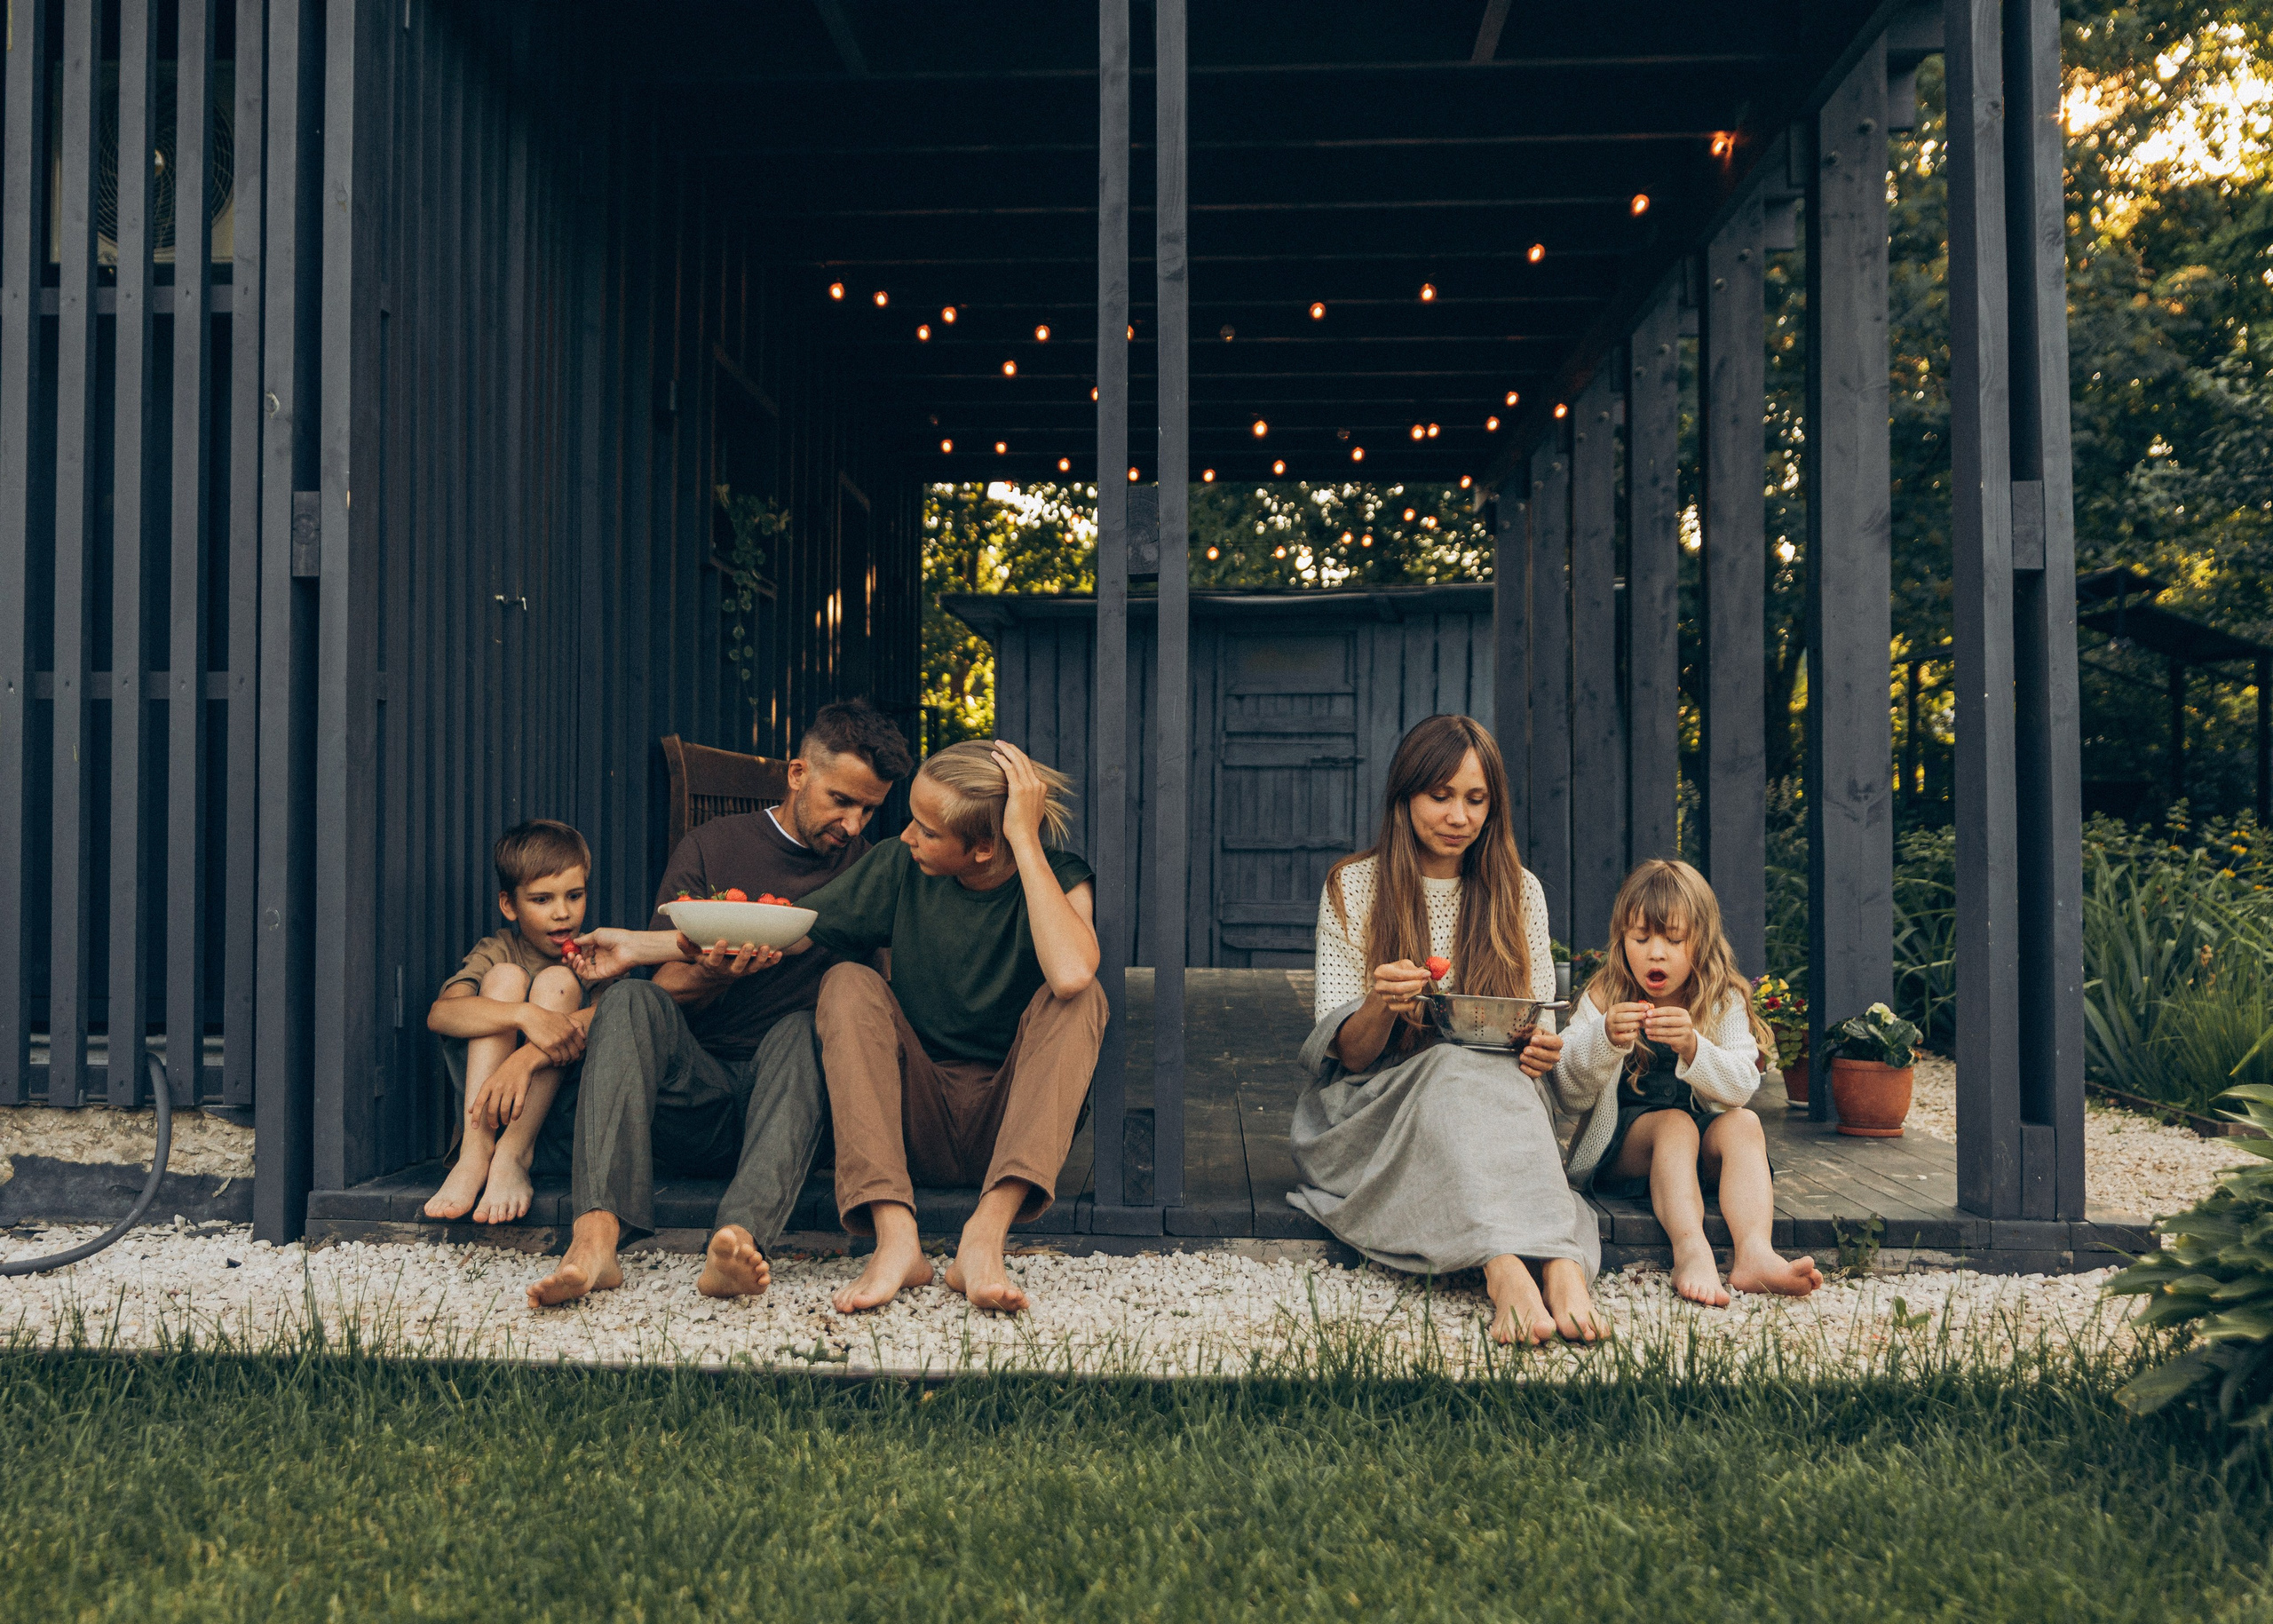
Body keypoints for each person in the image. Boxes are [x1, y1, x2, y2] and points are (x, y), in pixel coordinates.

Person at [522, 699, 915, 1310]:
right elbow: (665, 987)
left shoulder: (868, 870)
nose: (854, 823)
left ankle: (736, 1241)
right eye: (842, 799)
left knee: (799, 1027)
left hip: (794, 1104)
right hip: (696, 1095)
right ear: (797, 773)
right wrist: (713, 972)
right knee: (628, 999)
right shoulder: (713, 846)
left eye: (869, 808)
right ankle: (595, 1239)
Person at [1291, 714, 1619, 1346]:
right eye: (1439, 795)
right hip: (1372, 1109)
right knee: (1450, 1066)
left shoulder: (1520, 892)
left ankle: (1559, 1269)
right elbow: (1348, 1057)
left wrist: (1543, 1050)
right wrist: (1381, 1005)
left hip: (1496, 1094)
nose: (1458, 815)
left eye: (1475, 799)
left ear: (1493, 807)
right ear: (1405, 796)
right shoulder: (1352, 886)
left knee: (1489, 1077)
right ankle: (1509, 1272)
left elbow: (1535, 1036)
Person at [803, 738, 1105, 1316]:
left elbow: (1069, 974)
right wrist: (651, 945)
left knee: (1081, 996)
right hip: (918, 1116)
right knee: (847, 979)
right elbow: (797, 927)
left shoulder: (1060, 877)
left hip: (1011, 1128)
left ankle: (984, 1240)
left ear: (984, 847)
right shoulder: (900, 866)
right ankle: (896, 1240)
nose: (907, 836)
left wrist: (1025, 839)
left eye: (927, 829)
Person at [1561, 859, 1825, 1305]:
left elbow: (1742, 1085)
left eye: (1674, 939)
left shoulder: (1720, 998)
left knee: (1745, 1125)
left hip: (1698, 1149)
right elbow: (1567, 1088)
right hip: (1624, 1149)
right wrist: (1602, 1038)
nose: (1655, 953)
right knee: (1674, 1125)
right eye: (1640, 938)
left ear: (1700, 943)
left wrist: (1694, 1047)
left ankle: (1755, 1254)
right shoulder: (1606, 995)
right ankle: (1691, 1249)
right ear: (1621, 940)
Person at [423, 820, 596, 1224]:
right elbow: (441, 1014)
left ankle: (514, 1154)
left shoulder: (595, 955)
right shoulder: (500, 948)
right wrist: (525, 1015)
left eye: (575, 895)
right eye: (541, 900)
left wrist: (536, 1047)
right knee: (503, 978)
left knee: (557, 981)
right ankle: (476, 1152)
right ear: (509, 904)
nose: (562, 913)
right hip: (486, 1118)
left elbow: (614, 1016)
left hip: (560, 1130)